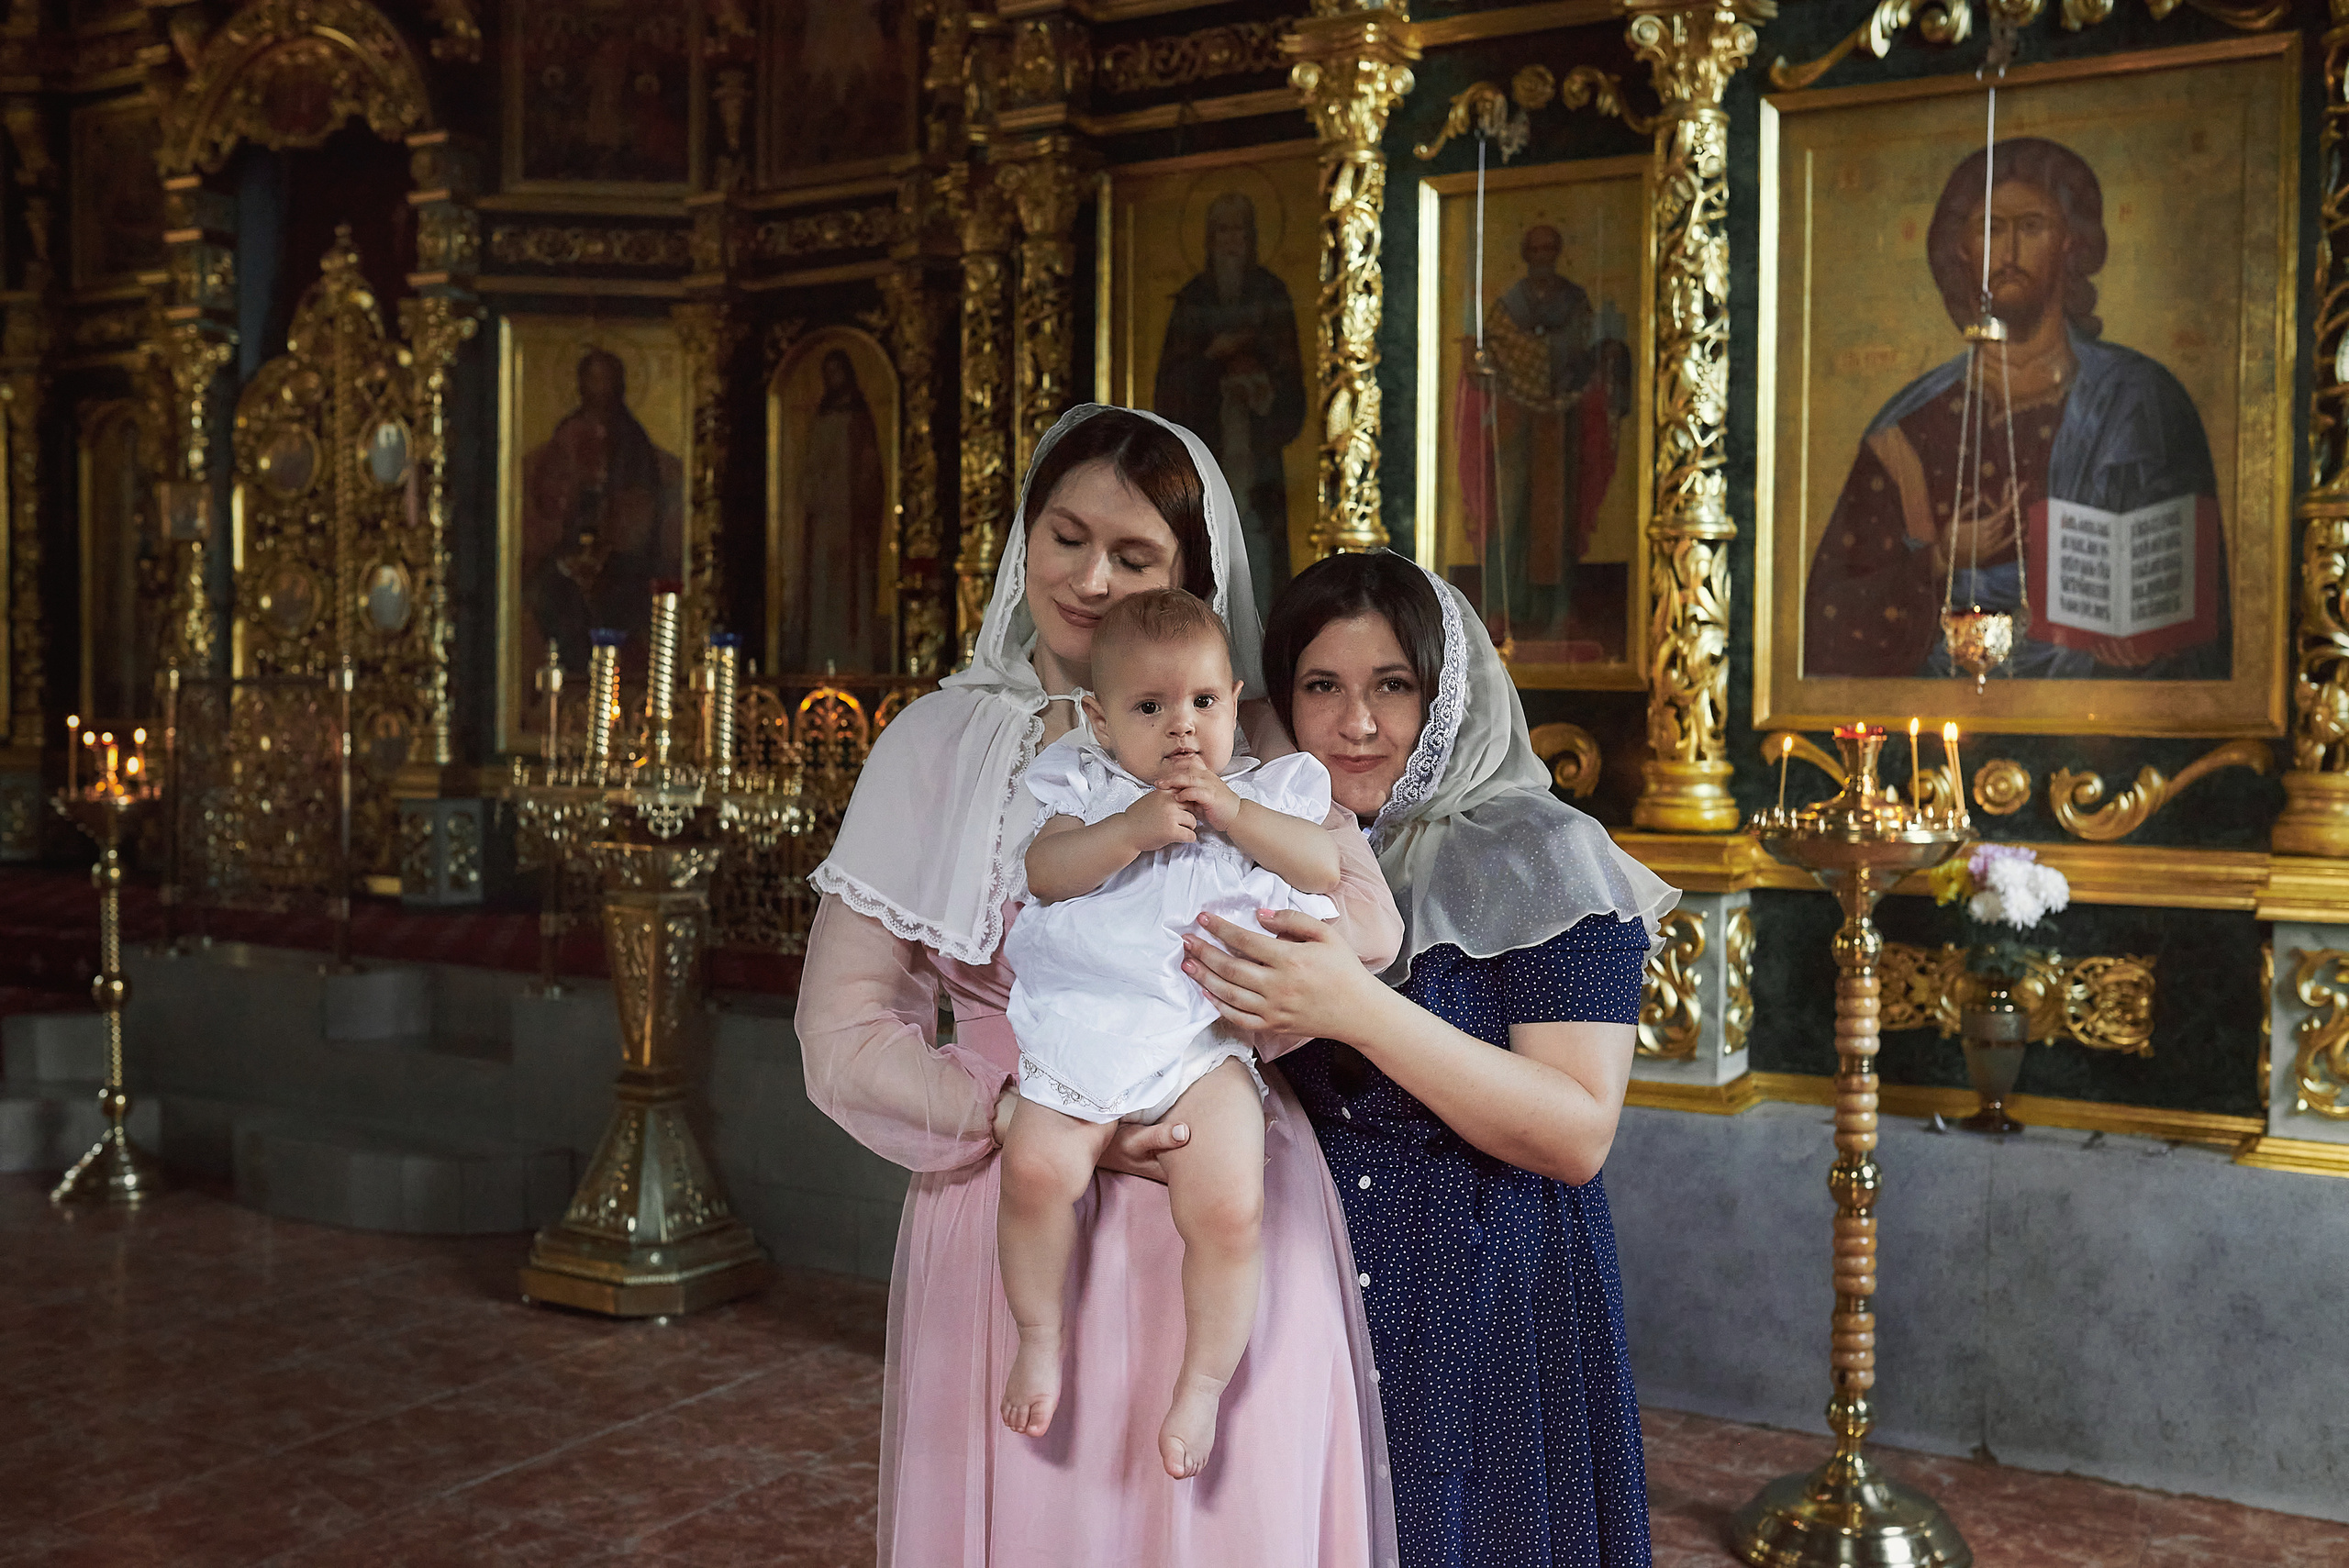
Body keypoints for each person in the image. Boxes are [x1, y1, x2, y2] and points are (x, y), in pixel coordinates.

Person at [796, 405, 1402, 1565]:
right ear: (1022, 536)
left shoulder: (1244, 738)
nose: (1087, 579)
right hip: (1021, 1186)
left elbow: (1362, 930)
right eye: (1065, 537)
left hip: (1215, 1171)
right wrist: (1012, 1111)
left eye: (1133, 555)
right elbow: (841, 1029)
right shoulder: (935, 743)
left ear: (1193, 576)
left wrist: (1212, 1007)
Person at [1181, 549, 1679, 1568]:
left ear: (1447, 691)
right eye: (1322, 686)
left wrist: (1356, 1008)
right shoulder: (1271, 845)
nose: (1355, 723)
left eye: (1393, 686)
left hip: (1487, 1296)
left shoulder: (1546, 853)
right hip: (1301, 1282)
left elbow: (1578, 1132)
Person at [999, 588, 1342, 1480]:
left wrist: (1233, 813)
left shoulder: (1265, 791)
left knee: (1229, 1204)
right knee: (1035, 1169)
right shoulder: (1087, 784)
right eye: (1150, 707)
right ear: (1101, 720)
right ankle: (1038, 1333)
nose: (1182, 726)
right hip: (1088, 1028)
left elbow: (1323, 867)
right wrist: (1126, 832)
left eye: (1202, 701)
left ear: (1234, 701)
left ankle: (1203, 1380)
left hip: (1201, 1043)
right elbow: (1044, 870)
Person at [1803, 136, 2225, 681]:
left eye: (2031, 226)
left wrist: (2148, 637)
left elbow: (2193, 602)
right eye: (1990, 229)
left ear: (2071, 242)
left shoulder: (2141, 404)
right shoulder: (1908, 430)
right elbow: (1832, 618)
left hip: (2098, 715)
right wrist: (1938, 559)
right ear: (1961, 248)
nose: (2008, 254)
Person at [1455, 225, 1631, 651]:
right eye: (1534, 250)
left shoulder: (1574, 301)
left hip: (1559, 426)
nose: (1542, 257)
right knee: (1508, 511)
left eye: (1549, 249)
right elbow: (1495, 350)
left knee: (1555, 517)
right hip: (1514, 424)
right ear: (1525, 254)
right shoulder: (1508, 306)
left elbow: (1584, 352)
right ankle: (1500, 609)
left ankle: (1556, 612)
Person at [1153, 191, 1308, 625]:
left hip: (1258, 469)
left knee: (1258, 564)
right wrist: (1211, 360)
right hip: (1204, 460)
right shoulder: (1193, 300)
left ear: (1252, 237)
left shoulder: (1271, 294)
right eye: (1222, 231)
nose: (1230, 241)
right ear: (1209, 239)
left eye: (1239, 230)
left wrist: (1260, 390)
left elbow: (1292, 395)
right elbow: (1169, 393)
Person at [521, 348, 685, 673]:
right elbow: (548, 494)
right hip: (572, 545)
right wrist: (574, 487)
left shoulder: (633, 439)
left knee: (620, 597)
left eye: (605, 380)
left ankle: (613, 674)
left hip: (623, 552)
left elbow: (643, 505)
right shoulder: (568, 432)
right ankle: (571, 670)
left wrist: (615, 520)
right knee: (547, 589)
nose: (599, 388)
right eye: (592, 379)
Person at [787, 347, 888, 672]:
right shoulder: (821, 415)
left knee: (851, 593)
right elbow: (811, 466)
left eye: (837, 372)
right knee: (822, 591)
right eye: (827, 373)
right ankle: (819, 660)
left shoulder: (859, 416)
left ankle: (854, 662)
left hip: (852, 522)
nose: (833, 379)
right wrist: (815, 490)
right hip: (824, 518)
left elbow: (870, 472)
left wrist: (858, 499)